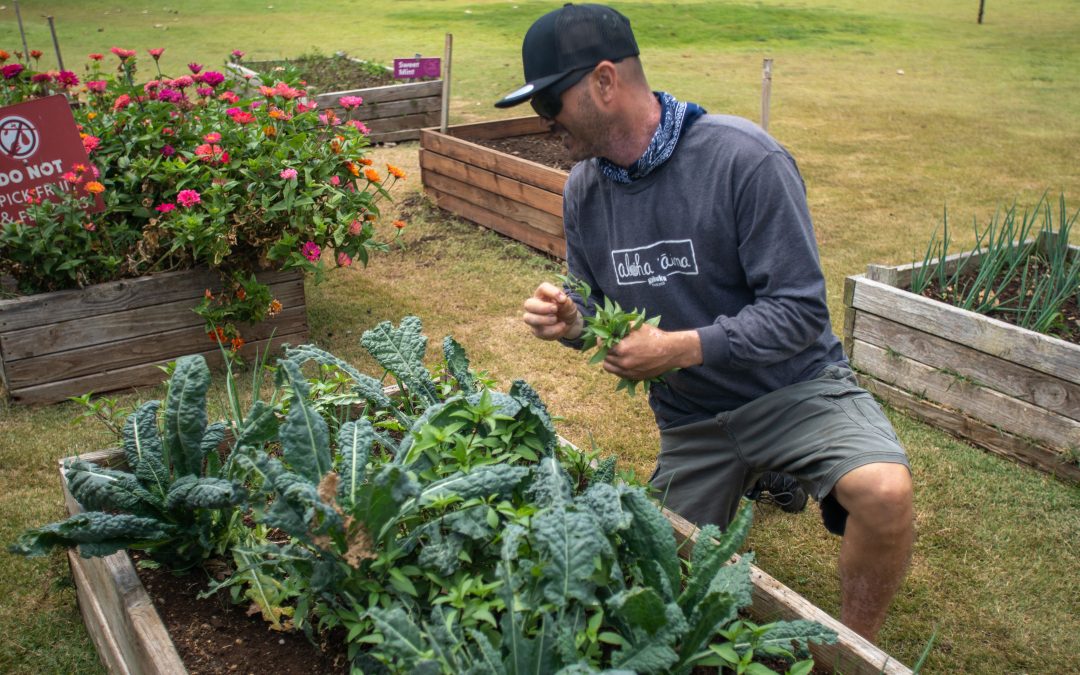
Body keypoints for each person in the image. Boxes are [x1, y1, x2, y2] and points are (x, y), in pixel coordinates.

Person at [503, 3, 914, 641]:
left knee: (885, 493)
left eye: (550, 102)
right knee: (651, 592)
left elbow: (801, 311)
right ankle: (767, 472)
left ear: (606, 82)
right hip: (694, 418)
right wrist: (569, 317)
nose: (544, 122)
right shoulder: (584, 187)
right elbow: (592, 302)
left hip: (793, 390)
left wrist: (681, 348)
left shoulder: (745, 160)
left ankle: (853, 651)